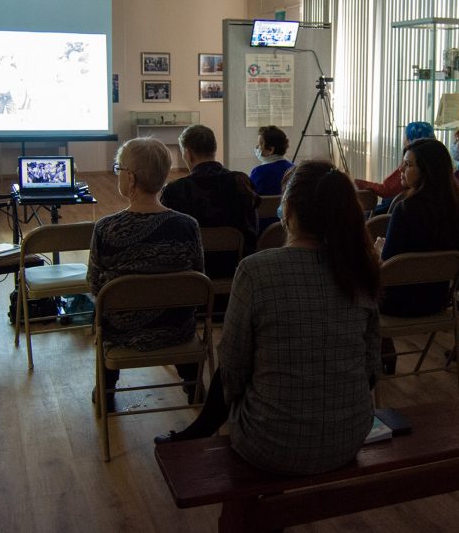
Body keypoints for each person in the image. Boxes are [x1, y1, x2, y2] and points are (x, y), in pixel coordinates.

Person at [154, 161, 382, 476]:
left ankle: (198, 435)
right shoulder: (362, 267)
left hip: (270, 443)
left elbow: (232, 369)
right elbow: (372, 366)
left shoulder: (256, 269)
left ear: (288, 210)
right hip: (350, 435)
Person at [87, 138, 204, 409]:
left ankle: (106, 389)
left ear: (129, 178)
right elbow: (198, 281)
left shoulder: (106, 229)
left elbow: (94, 286)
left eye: (118, 168)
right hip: (177, 329)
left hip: (122, 335)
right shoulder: (188, 225)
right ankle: (192, 384)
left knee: (104, 316)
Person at [377, 139, 459, 372]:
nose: (401, 169)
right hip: (437, 300)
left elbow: (388, 265)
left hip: (396, 303)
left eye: (408, 165)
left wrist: (379, 249)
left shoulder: (405, 209)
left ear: (427, 170)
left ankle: (379, 351)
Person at [160, 124, 258, 278]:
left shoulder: (175, 190)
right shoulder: (241, 182)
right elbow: (252, 228)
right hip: (238, 267)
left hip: (192, 272)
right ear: (214, 149)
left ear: (188, 153)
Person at [354, 121, 434, 215]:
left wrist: (359, 183)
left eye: (406, 137)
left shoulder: (410, 166)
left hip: (387, 212)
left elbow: (386, 190)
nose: (401, 169)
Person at [249, 125, 294, 196]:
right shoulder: (293, 169)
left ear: (271, 149)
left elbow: (249, 197)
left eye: (260, 144)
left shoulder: (259, 172)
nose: (257, 147)